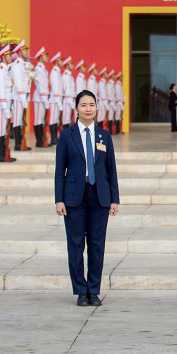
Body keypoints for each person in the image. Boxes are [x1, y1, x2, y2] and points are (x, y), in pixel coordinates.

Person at [54, 90, 119, 306]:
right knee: (75, 244)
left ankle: (94, 290)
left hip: (99, 196)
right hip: (73, 197)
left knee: (96, 245)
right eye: (83, 105)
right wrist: (59, 199)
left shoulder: (104, 136)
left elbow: (111, 169)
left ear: (96, 108)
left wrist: (114, 198)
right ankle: (81, 291)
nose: (88, 109)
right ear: (76, 109)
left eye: (91, 105)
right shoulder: (66, 135)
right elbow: (59, 171)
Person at [0, 46, 16, 163]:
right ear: (3, 57)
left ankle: (5, 153)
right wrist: (5, 107)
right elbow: (1, 90)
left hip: (8, 104)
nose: (10, 57)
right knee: (2, 130)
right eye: (8, 55)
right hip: (3, 105)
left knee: (5, 130)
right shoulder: (0, 70)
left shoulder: (6, 69)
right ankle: (2, 155)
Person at [32, 47, 49, 149]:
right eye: (45, 56)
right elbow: (40, 85)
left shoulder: (43, 68)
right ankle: (39, 141)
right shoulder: (38, 68)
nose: (47, 58)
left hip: (43, 97)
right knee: (38, 119)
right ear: (41, 57)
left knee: (42, 119)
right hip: (39, 97)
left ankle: (42, 139)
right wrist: (44, 99)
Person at [49, 52, 63, 145]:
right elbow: (54, 88)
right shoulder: (54, 72)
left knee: (56, 119)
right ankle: (53, 138)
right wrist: (58, 102)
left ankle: (55, 138)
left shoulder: (57, 72)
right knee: (53, 119)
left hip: (57, 99)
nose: (62, 62)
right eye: (60, 60)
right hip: (54, 100)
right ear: (56, 61)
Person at [62, 57, 75, 128]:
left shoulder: (70, 75)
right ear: (67, 65)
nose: (73, 66)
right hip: (67, 100)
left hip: (70, 99)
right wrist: (70, 101)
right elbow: (66, 90)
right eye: (71, 64)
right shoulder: (66, 75)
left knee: (68, 119)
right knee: (66, 119)